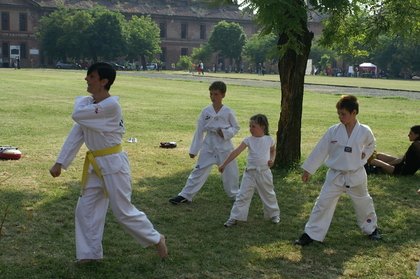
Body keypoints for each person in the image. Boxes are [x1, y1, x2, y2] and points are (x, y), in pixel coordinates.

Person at [49, 62, 168, 263]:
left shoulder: (110, 106)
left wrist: (85, 102)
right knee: (85, 209)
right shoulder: (91, 106)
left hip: (113, 165)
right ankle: (90, 254)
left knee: (123, 211)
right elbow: (76, 133)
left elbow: (77, 114)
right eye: (87, 75)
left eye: (92, 76)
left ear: (104, 82)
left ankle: (157, 239)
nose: (86, 79)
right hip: (96, 165)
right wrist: (60, 162)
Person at [295, 95, 381, 246]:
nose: (341, 117)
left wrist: (364, 156)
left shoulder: (364, 131)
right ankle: (311, 234)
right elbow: (321, 150)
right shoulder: (333, 131)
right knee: (322, 203)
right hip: (335, 175)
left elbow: (371, 145)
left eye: (344, 114)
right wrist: (308, 170)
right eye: (339, 114)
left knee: (363, 203)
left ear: (354, 113)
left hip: (356, 175)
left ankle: (371, 229)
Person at [169, 81, 240, 204]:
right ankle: (186, 195)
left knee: (230, 172)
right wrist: (194, 150)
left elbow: (236, 127)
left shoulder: (228, 111)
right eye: (211, 94)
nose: (213, 97)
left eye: (216, 94)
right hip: (209, 145)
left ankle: (235, 195)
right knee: (199, 170)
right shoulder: (206, 111)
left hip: (224, 146)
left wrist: (225, 133)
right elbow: (199, 131)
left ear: (223, 95)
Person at [219, 114, 280, 227]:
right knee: (242, 195)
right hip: (250, 173)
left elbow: (273, 151)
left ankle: (274, 214)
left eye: (253, 126)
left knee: (268, 194)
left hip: (264, 173)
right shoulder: (248, 140)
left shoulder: (269, 140)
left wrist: (272, 160)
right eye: (250, 126)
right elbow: (236, 152)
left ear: (263, 127)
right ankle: (235, 217)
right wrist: (224, 164)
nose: (250, 129)